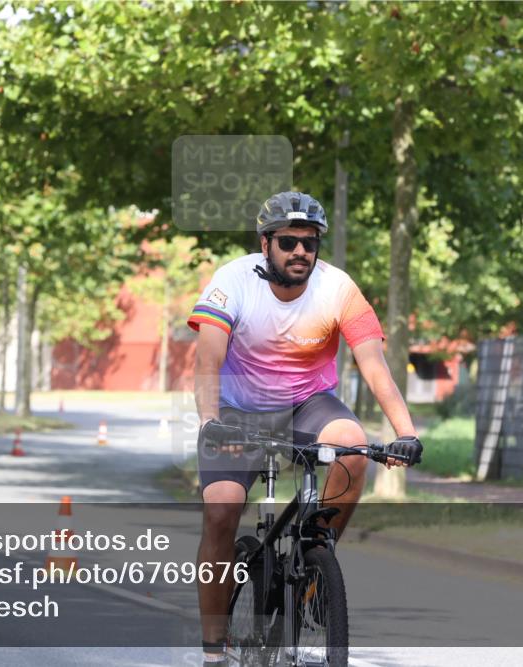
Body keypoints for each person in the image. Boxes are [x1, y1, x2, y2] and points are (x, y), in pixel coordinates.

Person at [186, 191, 423, 666]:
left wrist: (407, 432)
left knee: (353, 448)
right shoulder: (232, 281)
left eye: (310, 243)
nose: (301, 252)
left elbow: (374, 365)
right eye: (289, 242)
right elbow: (208, 359)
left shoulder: (338, 288)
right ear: (266, 243)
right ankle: (214, 649)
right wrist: (210, 420)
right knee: (221, 511)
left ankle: (318, 561)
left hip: (306, 404)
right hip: (236, 409)